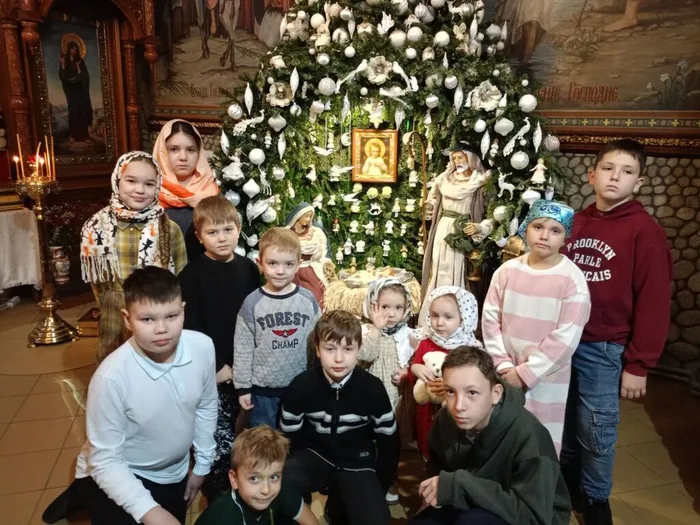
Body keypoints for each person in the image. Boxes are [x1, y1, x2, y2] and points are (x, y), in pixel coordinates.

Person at [560, 139, 672, 525]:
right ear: (592, 175)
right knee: (565, 419)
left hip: (604, 347)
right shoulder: (573, 223)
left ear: (638, 183)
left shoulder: (645, 232)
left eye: (626, 172)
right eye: (608, 168)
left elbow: (654, 302)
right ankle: (567, 485)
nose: (615, 177)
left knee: (596, 428)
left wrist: (639, 364)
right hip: (562, 342)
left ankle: (596, 499)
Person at [84, 266, 216, 525]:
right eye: (147, 319)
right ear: (127, 319)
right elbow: (105, 459)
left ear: (183, 311)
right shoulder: (110, 378)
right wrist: (150, 511)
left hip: (176, 474)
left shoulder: (202, 347)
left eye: (171, 316)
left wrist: (202, 465)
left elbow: (206, 405)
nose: (161, 329)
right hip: (125, 476)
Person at [410, 346, 571, 525]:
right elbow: (438, 471)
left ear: (495, 394)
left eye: (472, 393)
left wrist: (460, 485)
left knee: (472, 522)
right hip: (468, 498)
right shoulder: (444, 420)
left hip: (528, 514)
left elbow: (533, 515)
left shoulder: (529, 434)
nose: (459, 406)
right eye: (450, 391)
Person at [482, 200, 591, 455]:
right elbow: (490, 319)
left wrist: (526, 373)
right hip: (504, 373)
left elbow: (567, 337)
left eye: (555, 230)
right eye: (538, 227)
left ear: (565, 236)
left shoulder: (572, 280)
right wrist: (503, 365)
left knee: (538, 442)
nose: (544, 236)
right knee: (500, 436)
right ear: (525, 228)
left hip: (546, 379)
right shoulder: (506, 272)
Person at [280, 310, 400, 525]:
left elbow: (389, 444)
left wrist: (378, 487)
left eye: (348, 349)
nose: (338, 358)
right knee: (281, 481)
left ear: (359, 349)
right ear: (317, 349)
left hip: (357, 462)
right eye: (330, 348)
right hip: (314, 456)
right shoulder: (301, 386)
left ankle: (338, 506)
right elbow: (287, 439)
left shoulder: (372, 388)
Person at [178, 195, 261, 500]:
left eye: (228, 230)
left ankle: (246, 476)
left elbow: (256, 314)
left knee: (245, 423)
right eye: (213, 232)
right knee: (216, 428)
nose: (222, 238)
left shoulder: (248, 268)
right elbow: (190, 327)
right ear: (199, 236)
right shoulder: (191, 276)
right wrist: (216, 367)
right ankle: (218, 489)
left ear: (238, 230)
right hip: (214, 368)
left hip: (245, 362)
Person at [80, 151, 187, 361]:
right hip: (114, 307)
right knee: (114, 357)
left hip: (155, 308)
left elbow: (181, 275)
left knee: (153, 360)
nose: (140, 190)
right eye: (131, 181)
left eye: (149, 184)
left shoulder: (168, 228)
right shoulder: (96, 226)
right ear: (117, 180)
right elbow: (97, 281)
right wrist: (108, 301)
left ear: (158, 186)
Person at [234, 227, 321, 428]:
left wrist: (319, 378)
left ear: (298, 264)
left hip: (301, 386)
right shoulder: (252, 303)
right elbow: (243, 347)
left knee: (298, 437)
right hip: (263, 390)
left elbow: (320, 340)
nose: (280, 271)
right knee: (265, 439)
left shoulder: (307, 300)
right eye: (272, 263)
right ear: (260, 263)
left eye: (288, 264)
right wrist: (243, 388)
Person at [360, 277, 418, 504]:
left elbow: (415, 363)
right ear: (373, 306)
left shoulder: (408, 336)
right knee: (367, 439)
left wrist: (406, 373)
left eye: (397, 308)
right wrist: (376, 328)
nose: (391, 314)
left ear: (406, 310)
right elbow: (365, 355)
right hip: (370, 398)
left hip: (396, 398)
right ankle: (365, 476)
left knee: (390, 442)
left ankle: (389, 478)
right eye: (385, 307)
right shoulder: (367, 331)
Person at [419, 144, 491, 325]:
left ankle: (457, 318)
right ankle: (433, 316)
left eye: (461, 157)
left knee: (458, 269)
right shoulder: (444, 180)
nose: (457, 161)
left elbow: (492, 214)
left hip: (463, 231)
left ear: (471, 158)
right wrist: (429, 206)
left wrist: (479, 227)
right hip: (443, 229)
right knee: (439, 268)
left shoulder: (480, 182)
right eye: (455, 158)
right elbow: (434, 202)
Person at [408, 286, 482, 460]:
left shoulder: (468, 348)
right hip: (426, 408)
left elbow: (475, 381)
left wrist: (451, 385)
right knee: (426, 435)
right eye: (435, 315)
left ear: (464, 318)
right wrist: (415, 368)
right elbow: (414, 371)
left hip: (454, 408)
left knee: (451, 438)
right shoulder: (426, 341)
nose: (439, 323)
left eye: (448, 317)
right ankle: (427, 456)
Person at [194, 426, 319, 525]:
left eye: (274, 477)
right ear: (234, 479)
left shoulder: (282, 490)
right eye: (254, 478)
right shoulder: (219, 518)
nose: (266, 490)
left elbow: (309, 519)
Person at [153, 119, 220, 259]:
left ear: (199, 153)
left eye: (190, 150)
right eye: (174, 149)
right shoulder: (148, 193)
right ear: (162, 152)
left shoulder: (212, 193)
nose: (183, 157)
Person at [285, 202, 334, 307]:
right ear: (298, 216)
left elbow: (323, 251)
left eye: (310, 216)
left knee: (317, 295)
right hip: (291, 273)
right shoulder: (286, 234)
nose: (308, 219)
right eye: (306, 216)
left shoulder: (316, 233)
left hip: (309, 271)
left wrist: (327, 263)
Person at [59, 38, 93, 143]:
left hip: (80, 89)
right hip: (71, 91)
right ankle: (73, 135)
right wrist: (63, 64)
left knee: (83, 112)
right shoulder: (65, 60)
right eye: (72, 49)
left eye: (75, 49)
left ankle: (85, 136)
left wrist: (78, 67)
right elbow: (63, 76)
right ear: (68, 49)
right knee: (73, 112)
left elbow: (84, 76)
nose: (74, 51)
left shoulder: (80, 61)